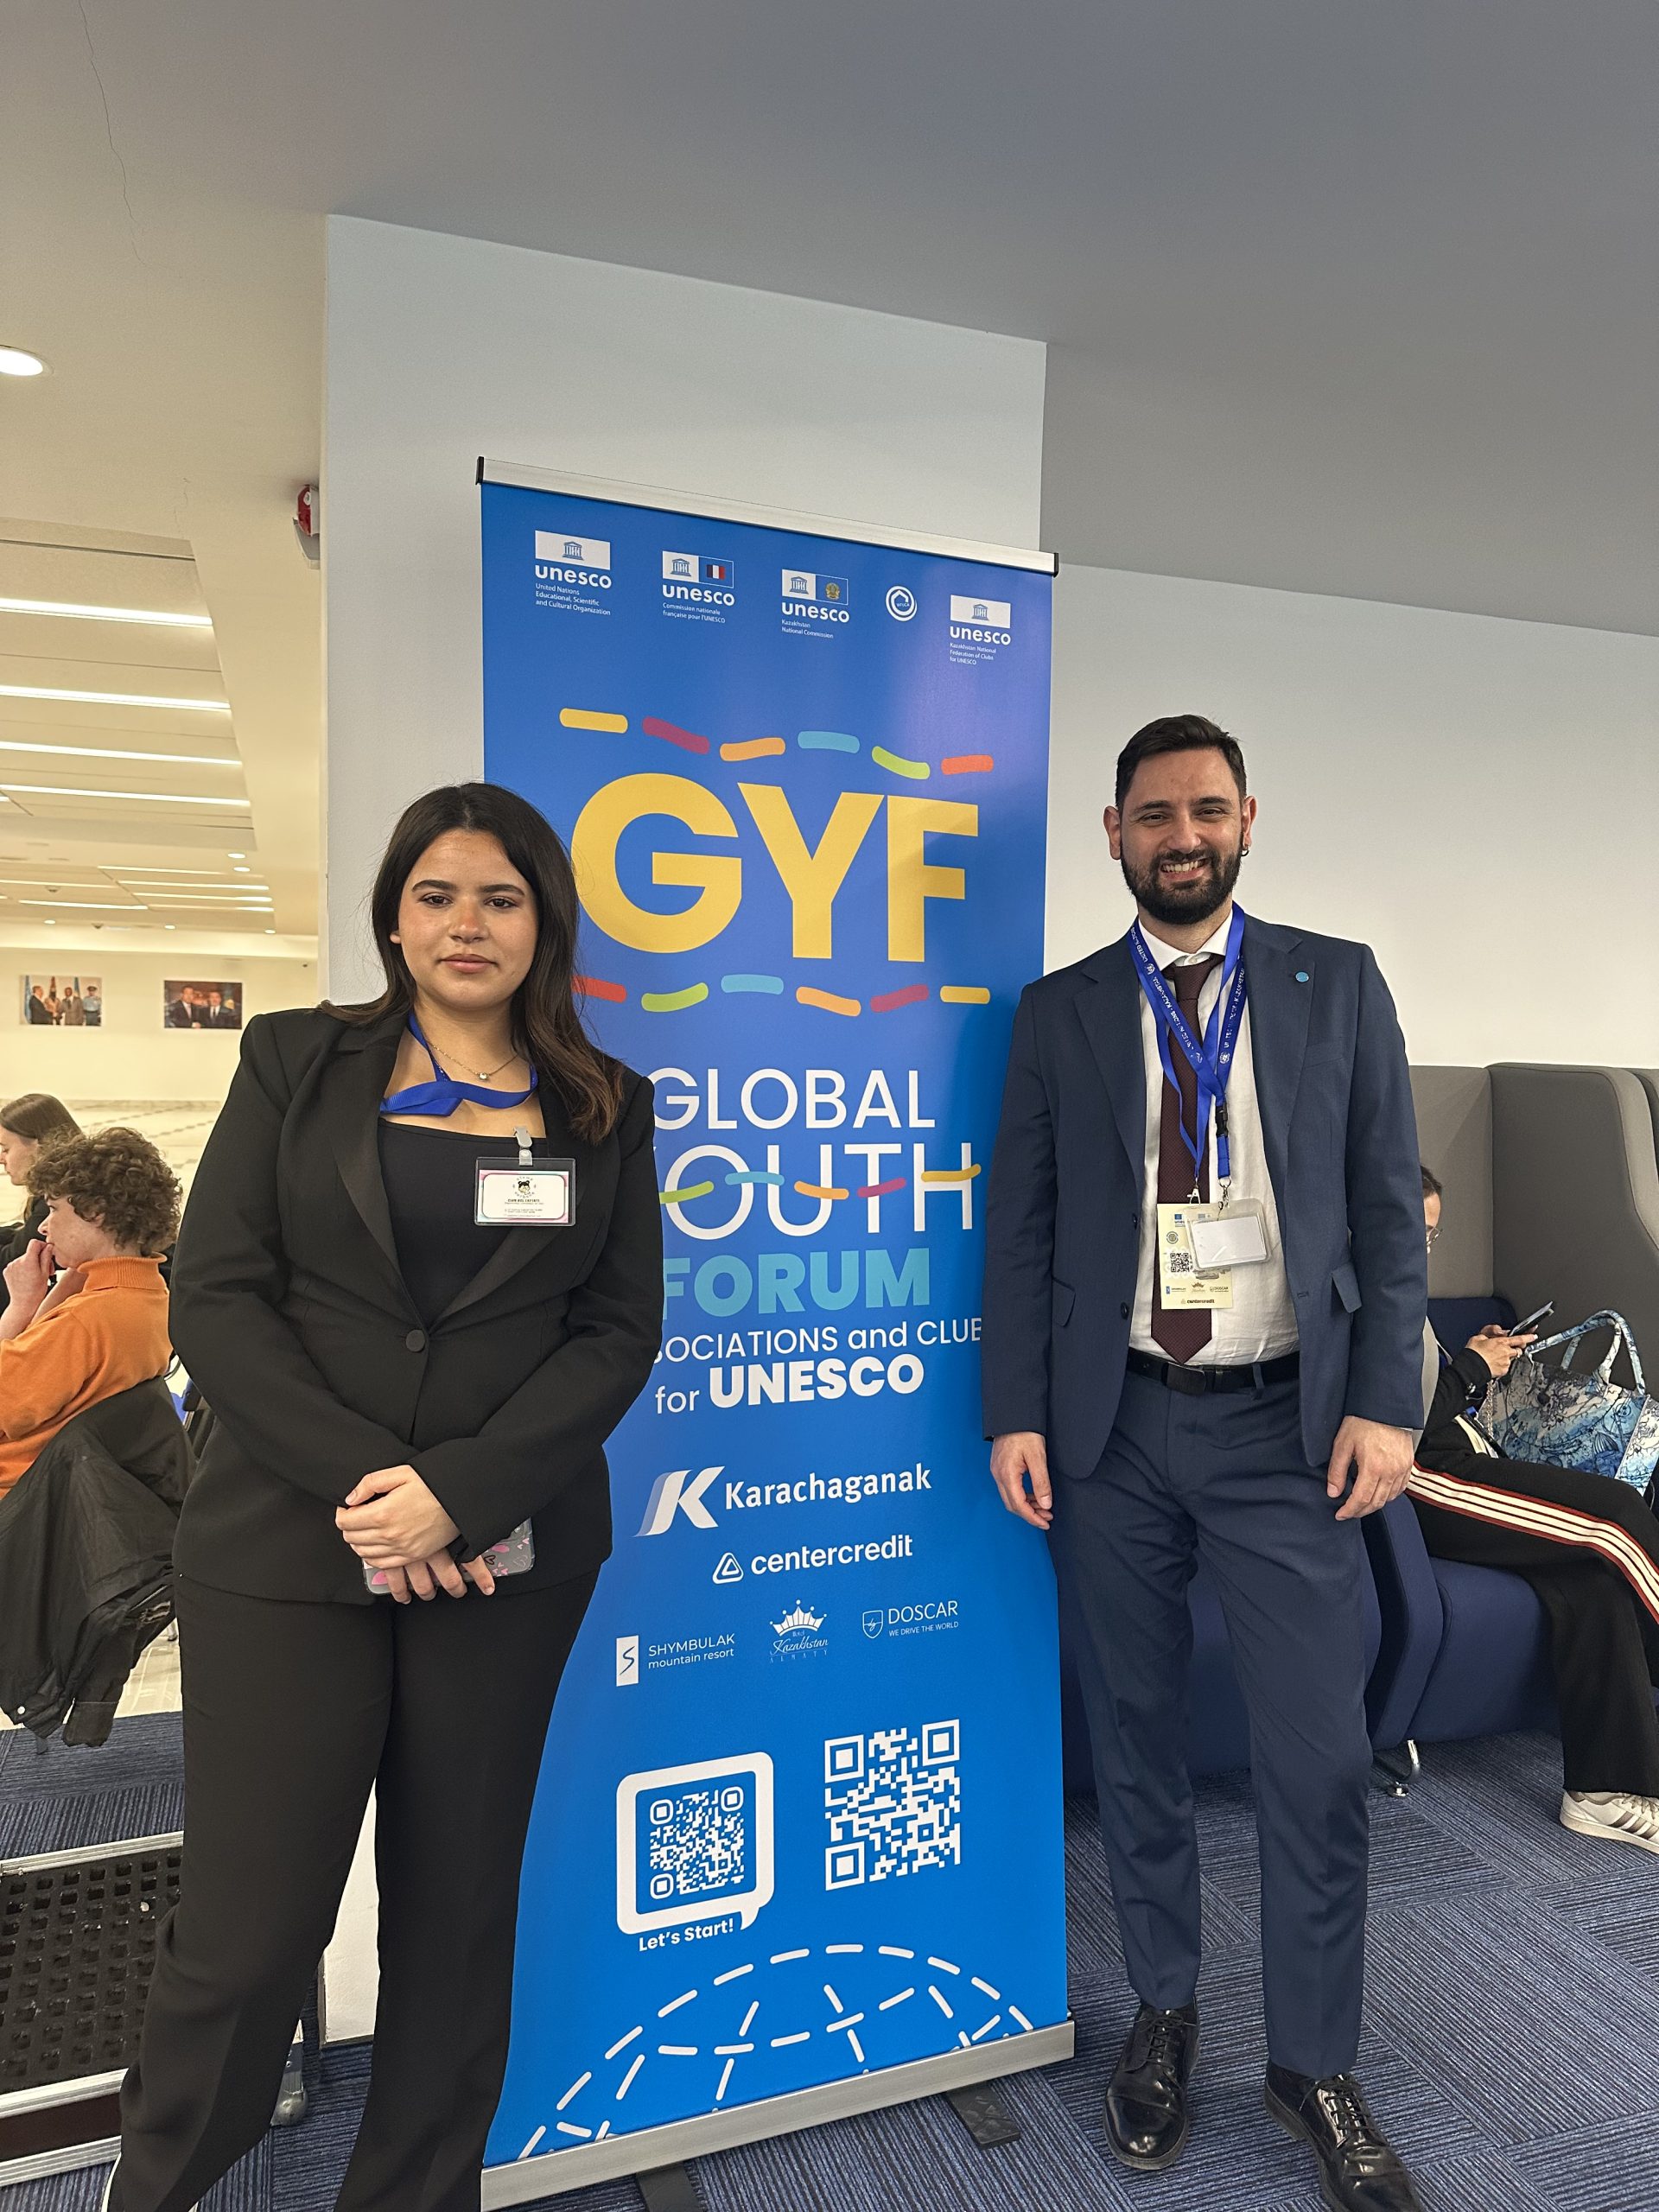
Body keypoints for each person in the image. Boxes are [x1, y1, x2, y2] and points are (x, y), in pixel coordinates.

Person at [107, 782, 663, 2212]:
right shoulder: (298, 1061)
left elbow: (616, 1333)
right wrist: (379, 1491)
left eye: (500, 898)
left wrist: (460, 1496)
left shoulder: (603, 1105)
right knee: (250, 1926)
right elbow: (216, 1296)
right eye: (437, 894)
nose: (467, 924)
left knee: (456, 1919)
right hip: (289, 1546)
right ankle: (158, 2182)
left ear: (544, 924)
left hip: (505, 1562)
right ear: (394, 918)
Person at [983, 715, 1427, 2212]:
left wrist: (1390, 1403)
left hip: (1284, 1426)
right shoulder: (1060, 1012)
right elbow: (1022, 1224)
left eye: (1209, 810)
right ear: (1114, 833)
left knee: (1319, 1757)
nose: (1184, 835)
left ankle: (1313, 2064)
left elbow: (1388, 1214)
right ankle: (1163, 2013)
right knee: (1137, 1737)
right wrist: (1015, 1410)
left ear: (1248, 821)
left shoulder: (1334, 982)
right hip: (1112, 1424)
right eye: (1157, 813)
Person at [1414, 1166, 1659, 1850]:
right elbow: (1397, 1417)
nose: (1422, 1250)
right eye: (1414, 1232)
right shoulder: (1359, 1298)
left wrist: (1475, 1360)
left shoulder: (1401, 1296)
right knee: (1614, 1519)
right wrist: (1471, 1368)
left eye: (1432, 1236)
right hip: (1425, 1477)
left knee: (1592, 1584)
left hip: (1462, 1453)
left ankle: (1606, 1790)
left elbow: (1428, 1390)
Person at [0, 1128, 176, 1493]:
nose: (43, 1226)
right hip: (71, 1485)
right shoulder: (152, 1294)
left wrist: (19, 1308)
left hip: (22, 1494)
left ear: (95, 1212)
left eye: (53, 1208)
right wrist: (67, 1284)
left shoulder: (86, 1321)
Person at [0, 1093, 84, 1307]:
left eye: (6, 1149)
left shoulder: (60, 1196)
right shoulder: (73, 1180)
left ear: (39, 1146)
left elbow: (14, 1263)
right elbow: (23, 1235)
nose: (1, 1159)